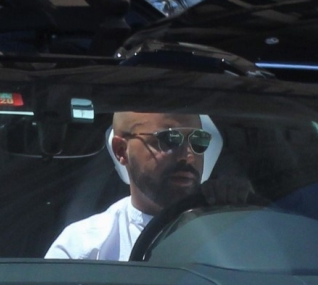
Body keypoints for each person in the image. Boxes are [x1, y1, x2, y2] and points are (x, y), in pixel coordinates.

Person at [47, 111, 212, 261]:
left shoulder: (230, 228)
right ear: (121, 150)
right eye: (169, 139)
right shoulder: (83, 246)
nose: (187, 155)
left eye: (198, 140)